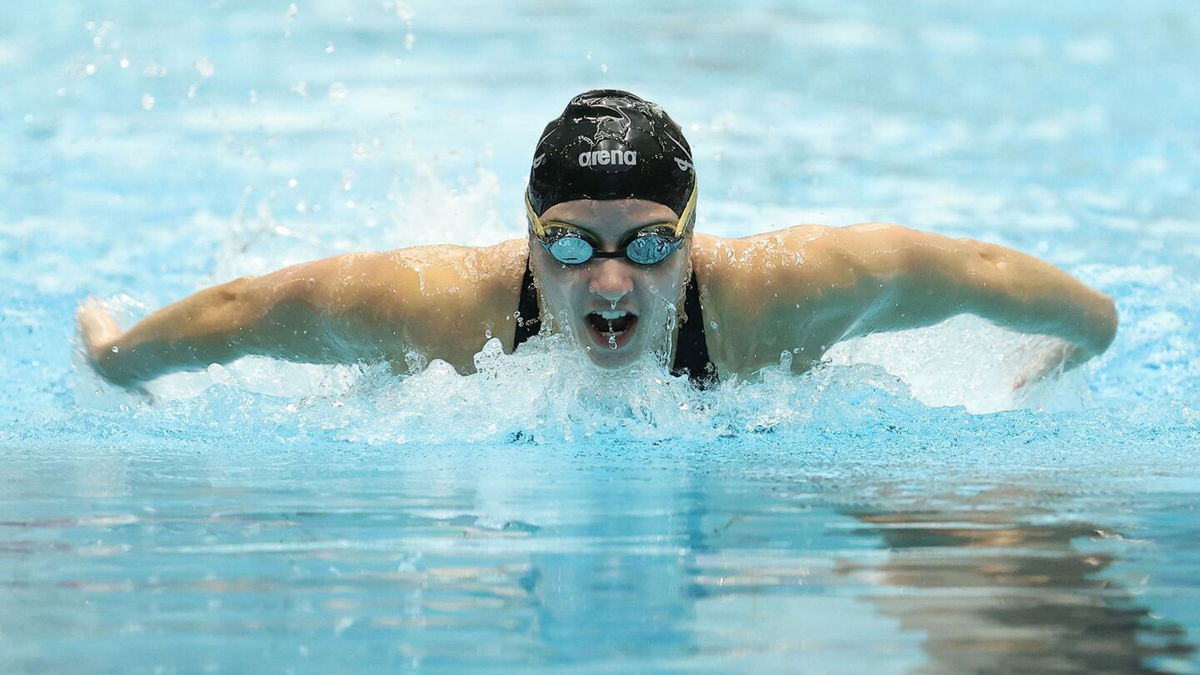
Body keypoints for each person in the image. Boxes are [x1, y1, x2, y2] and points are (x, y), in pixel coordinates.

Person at [77, 89, 1117, 391]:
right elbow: (245, 312)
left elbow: (979, 273)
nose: (612, 279)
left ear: (697, 239)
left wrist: (1082, 342)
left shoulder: (779, 297)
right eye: (573, 246)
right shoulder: (445, 308)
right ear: (527, 243)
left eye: (651, 244)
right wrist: (122, 357)